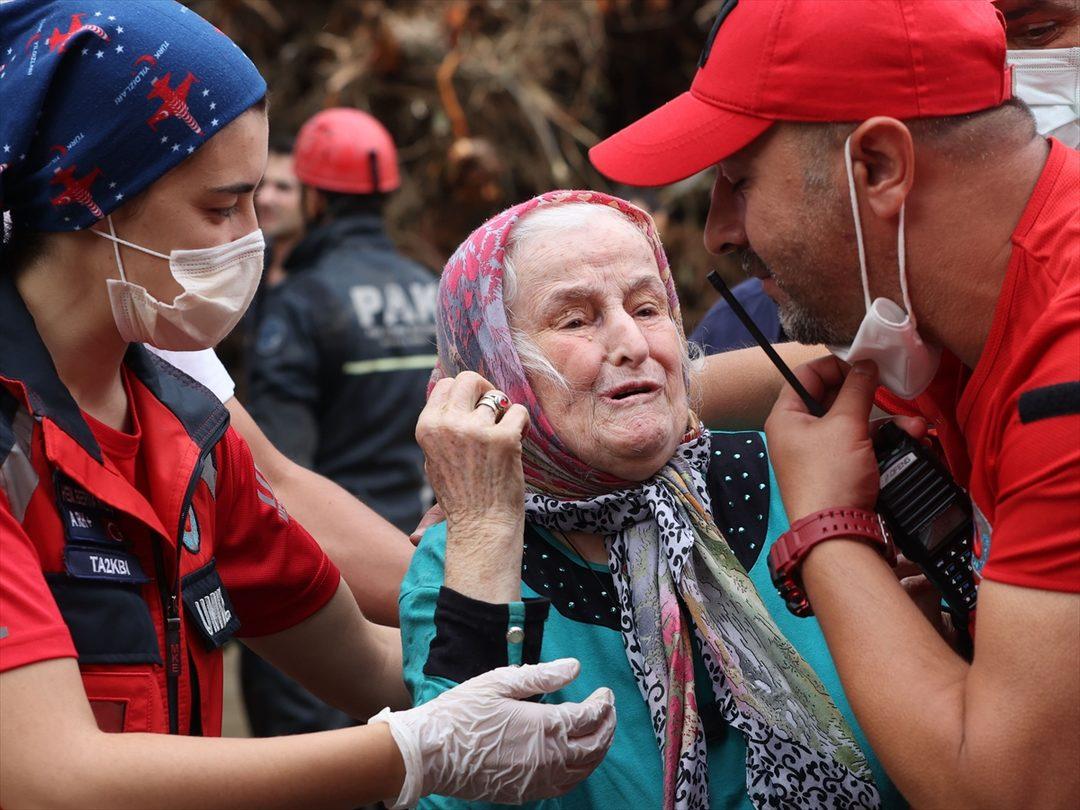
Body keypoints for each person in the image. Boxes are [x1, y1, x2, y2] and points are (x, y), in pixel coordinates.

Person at [0, 3, 616, 808]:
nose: (251, 239)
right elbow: (50, 777)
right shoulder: (16, 448)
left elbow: (368, 659)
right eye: (221, 208)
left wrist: (582, 625)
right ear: (94, 200)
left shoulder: (188, 435)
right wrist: (408, 754)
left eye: (257, 201)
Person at [589, 0, 1078, 807]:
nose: (717, 234)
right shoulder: (969, 308)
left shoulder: (1063, 378)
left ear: (878, 166)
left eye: (739, 181)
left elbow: (1007, 792)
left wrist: (825, 526)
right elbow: (811, 373)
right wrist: (557, 411)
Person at [403, 190, 906, 809]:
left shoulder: (800, 471)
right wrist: (484, 529)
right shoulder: (460, 559)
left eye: (647, 308)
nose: (632, 344)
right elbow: (463, 792)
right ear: (494, 364)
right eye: (575, 320)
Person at [248, 107, 437, 535]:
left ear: (314, 198)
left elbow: (282, 463)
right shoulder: (431, 285)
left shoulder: (301, 300)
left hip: (343, 543)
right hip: (431, 538)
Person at [255, 135, 304, 290]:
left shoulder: (323, 274)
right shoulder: (249, 266)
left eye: (283, 188)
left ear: (313, 198)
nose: (264, 198)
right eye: (262, 184)